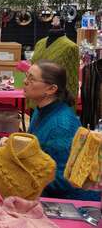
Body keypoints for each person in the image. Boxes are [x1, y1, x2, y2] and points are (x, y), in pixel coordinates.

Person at [6, 60, 99, 201]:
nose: (25, 81)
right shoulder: (41, 109)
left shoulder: (61, 126)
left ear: (51, 89)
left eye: (31, 79)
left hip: (68, 200)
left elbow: (62, 181)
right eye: (26, 76)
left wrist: (20, 169)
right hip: (46, 186)